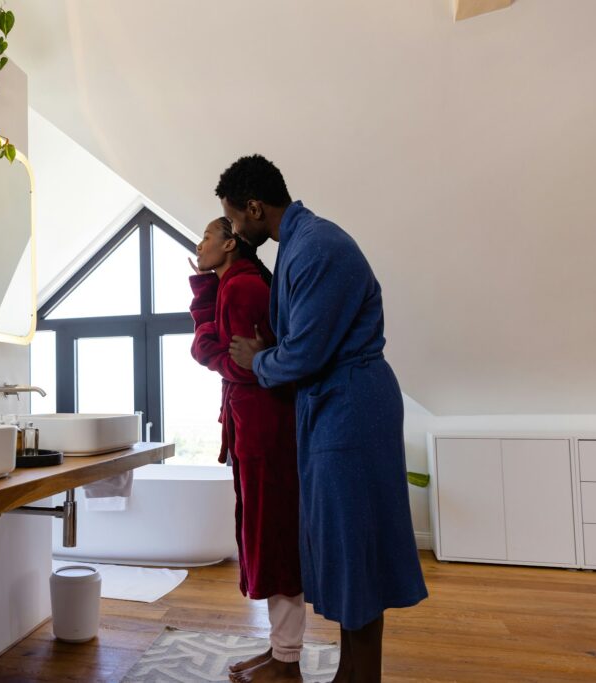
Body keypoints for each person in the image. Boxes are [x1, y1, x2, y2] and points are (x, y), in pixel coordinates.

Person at [220, 155, 428, 683]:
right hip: (337, 406)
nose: (236, 232)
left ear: (254, 206)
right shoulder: (302, 244)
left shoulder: (316, 248)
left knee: (355, 546)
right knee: (348, 546)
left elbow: (307, 352)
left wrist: (257, 359)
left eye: (235, 219)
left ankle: (361, 676)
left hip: (350, 408)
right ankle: (351, 672)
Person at [189, 217, 305, 683]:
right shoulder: (236, 284)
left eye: (207, 237)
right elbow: (227, 354)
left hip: (264, 429)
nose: (199, 245)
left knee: (273, 540)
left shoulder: (242, 288)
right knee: (267, 537)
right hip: (257, 427)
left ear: (231, 243)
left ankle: (287, 659)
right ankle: (280, 650)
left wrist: (210, 352)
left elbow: (242, 365)